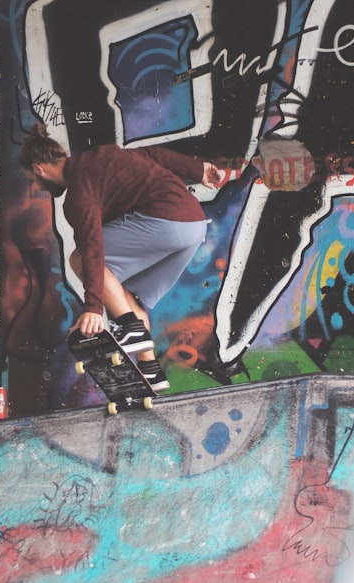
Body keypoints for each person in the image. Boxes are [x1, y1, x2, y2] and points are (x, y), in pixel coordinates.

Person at [18, 124, 224, 390]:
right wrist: (198, 170)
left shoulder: (79, 190)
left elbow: (92, 246)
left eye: (33, 179)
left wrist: (93, 307)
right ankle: (150, 371)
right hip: (193, 226)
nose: (38, 186)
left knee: (79, 259)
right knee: (122, 292)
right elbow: (154, 155)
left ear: (39, 168)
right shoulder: (105, 156)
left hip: (166, 221)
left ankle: (129, 326)